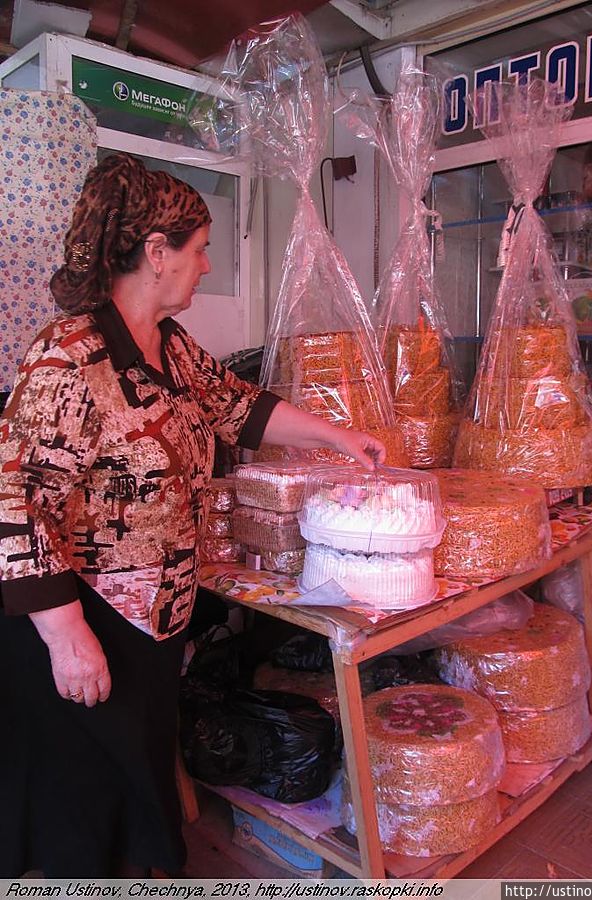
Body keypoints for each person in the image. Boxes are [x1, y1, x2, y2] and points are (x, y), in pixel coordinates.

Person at [0, 152, 385, 878]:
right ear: (156, 252)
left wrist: (338, 437)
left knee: (134, 781)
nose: (206, 265)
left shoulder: (168, 347)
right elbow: (15, 500)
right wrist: (67, 637)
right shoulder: (69, 359)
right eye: (200, 249)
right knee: (78, 803)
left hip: (153, 614)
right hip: (87, 615)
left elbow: (237, 406)